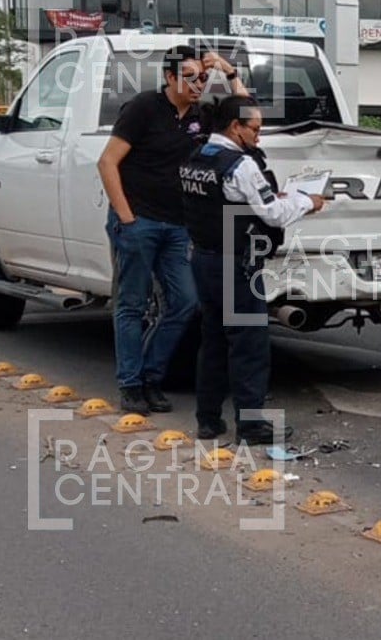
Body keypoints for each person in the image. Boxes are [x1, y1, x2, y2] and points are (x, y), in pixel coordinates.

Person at [97, 45, 249, 415]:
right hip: (139, 221)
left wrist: (228, 72)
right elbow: (107, 162)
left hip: (179, 226)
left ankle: (150, 375)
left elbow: (246, 113)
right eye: (191, 77)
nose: (199, 84)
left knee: (185, 303)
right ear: (170, 77)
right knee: (131, 305)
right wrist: (127, 219)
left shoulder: (201, 116)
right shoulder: (144, 108)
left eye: (203, 77)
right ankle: (131, 385)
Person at [179, 95, 326, 445]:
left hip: (203, 260)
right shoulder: (240, 165)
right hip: (236, 265)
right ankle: (250, 424)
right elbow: (273, 214)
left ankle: (208, 419)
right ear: (235, 127)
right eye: (255, 130)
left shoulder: (196, 157)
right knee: (249, 344)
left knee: (213, 340)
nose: (258, 138)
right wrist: (308, 202)